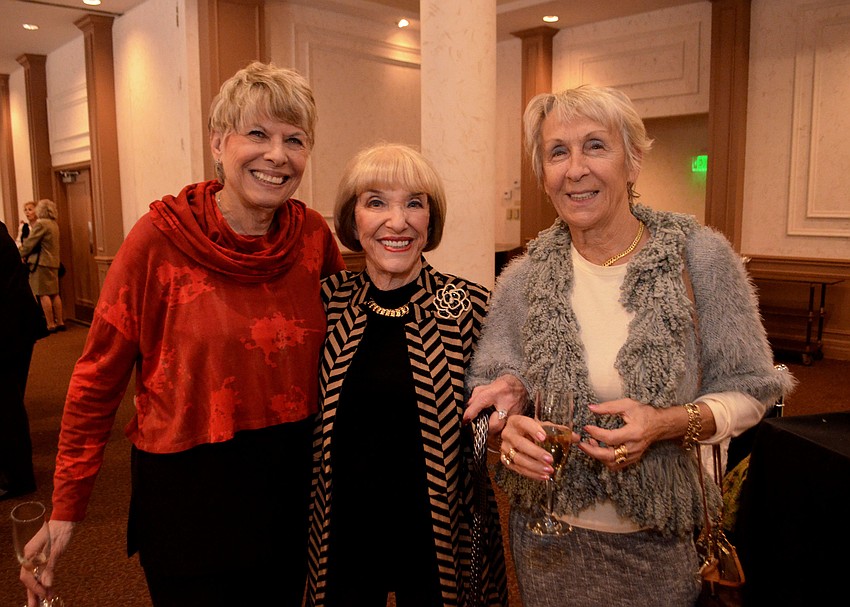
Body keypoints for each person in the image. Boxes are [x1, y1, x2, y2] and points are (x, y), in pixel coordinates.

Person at [18, 61, 344, 607]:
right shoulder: (158, 240)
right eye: (257, 134)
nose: (277, 155)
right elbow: (96, 379)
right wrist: (67, 506)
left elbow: (342, 352)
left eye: (295, 139)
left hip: (292, 479)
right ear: (218, 142)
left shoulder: (311, 236)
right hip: (191, 491)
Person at [463, 85, 794, 607]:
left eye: (596, 145)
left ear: (633, 161)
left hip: (660, 543)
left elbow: (752, 390)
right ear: (543, 173)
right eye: (557, 152)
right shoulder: (524, 277)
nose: (575, 169)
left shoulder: (698, 258)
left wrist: (666, 423)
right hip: (547, 537)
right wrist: (505, 423)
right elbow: (495, 383)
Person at [307, 143, 508, 607]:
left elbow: (513, 406)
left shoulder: (471, 308)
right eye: (376, 202)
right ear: (352, 220)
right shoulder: (325, 303)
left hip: (439, 528)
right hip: (342, 526)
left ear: (430, 220)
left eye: (414, 203)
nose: (397, 222)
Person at [0, 220, 48, 501]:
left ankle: (18, 478)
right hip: (13, 329)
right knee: (9, 406)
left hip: (8, 332)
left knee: (7, 409)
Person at [18, 198, 65, 332]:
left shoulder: (42, 224)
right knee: (55, 293)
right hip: (54, 262)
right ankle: (60, 321)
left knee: (44, 294)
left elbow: (30, 243)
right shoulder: (53, 224)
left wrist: (19, 253)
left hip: (42, 263)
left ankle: (50, 324)